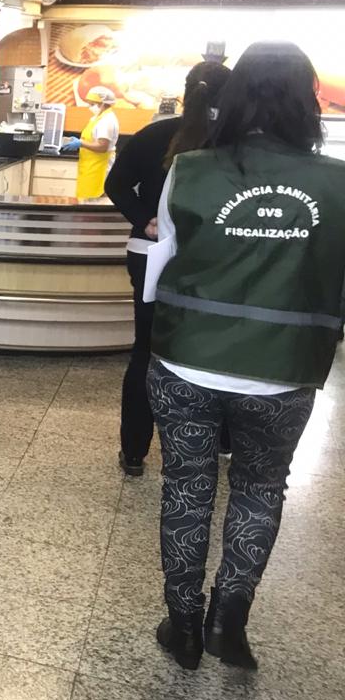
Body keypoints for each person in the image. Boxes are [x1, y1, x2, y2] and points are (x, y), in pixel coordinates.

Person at [146, 41, 345, 671]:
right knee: (260, 487)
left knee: (187, 486)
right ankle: (227, 625)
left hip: (186, 359)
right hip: (284, 369)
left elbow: (165, 255)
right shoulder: (338, 182)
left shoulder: (190, 170)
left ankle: (182, 626)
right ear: (308, 101)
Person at [104, 62, 231, 477]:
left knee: (145, 349)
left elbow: (115, 184)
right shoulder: (231, 142)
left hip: (149, 255)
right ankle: (218, 442)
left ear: (186, 90)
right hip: (212, 260)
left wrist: (145, 219)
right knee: (213, 351)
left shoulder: (155, 134)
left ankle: (134, 451)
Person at [63, 86, 119, 200]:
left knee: (95, 201)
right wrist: (79, 142)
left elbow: (102, 146)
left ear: (103, 104)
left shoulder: (107, 121)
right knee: (86, 200)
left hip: (99, 168)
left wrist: (81, 143)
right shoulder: (98, 118)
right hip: (91, 165)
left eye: (92, 104)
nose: (90, 107)